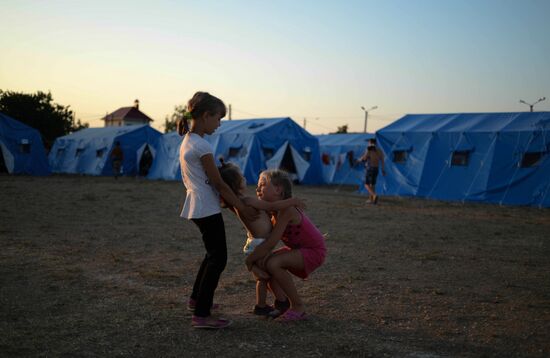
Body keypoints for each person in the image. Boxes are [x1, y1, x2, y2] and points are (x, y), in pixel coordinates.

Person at [178, 91, 258, 329]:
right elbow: (219, 183)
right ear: (205, 115)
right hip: (205, 206)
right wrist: (242, 207)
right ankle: (202, 314)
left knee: (211, 255)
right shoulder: (201, 145)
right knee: (218, 258)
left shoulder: (189, 140)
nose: (219, 124)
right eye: (218, 118)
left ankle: (196, 300)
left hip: (198, 203)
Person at [218, 160, 304, 316]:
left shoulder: (240, 202)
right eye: (242, 177)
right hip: (259, 244)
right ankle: (264, 305)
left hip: (256, 243)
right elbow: (271, 207)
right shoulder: (247, 201)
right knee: (265, 278)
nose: (245, 178)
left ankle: (275, 301)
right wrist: (291, 201)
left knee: (267, 275)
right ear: (237, 183)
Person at [245, 169, 327, 322]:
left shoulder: (287, 210)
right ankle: (282, 303)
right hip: (299, 250)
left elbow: (270, 243)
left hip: (313, 251)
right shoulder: (275, 211)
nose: (257, 189)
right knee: (265, 263)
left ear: (278, 189)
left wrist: (250, 260)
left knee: (274, 263)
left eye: (262, 185)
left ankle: (298, 306)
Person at [357, 138, 386, 204]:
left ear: (370, 143)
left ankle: (374, 195)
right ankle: (371, 199)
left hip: (370, 168)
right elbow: (382, 161)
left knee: (366, 184)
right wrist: (383, 169)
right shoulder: (380, 150)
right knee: (372, 184)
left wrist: (359, 159)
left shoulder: (369, 149)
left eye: (368, 142)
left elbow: (364, 158)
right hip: (376, 168)